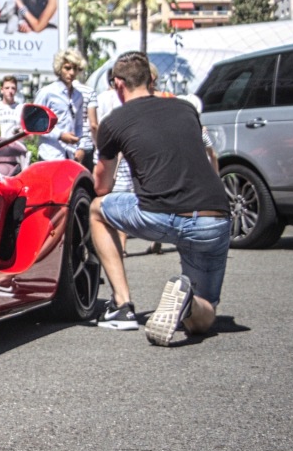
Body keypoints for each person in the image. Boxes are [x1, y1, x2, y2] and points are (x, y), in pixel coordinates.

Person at [90, 51, 231, 346]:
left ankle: (122, 306)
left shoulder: (114, 121)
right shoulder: (185, 108)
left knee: (96, 210)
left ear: (117, 84)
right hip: (214, 218)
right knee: (204, 320)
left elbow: (102, 185)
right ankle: (188, 303)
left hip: (162, 214)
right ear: (152, 79)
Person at [34, 49, 87, 163]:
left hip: (71, 156)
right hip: (50, 154)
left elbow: (79, 125)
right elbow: (35, 122)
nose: (72, 73)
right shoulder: (47, 92)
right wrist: (60, 135)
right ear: (60, 68)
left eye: (75, 69)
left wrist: (81, 147)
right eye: (67, 68)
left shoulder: (78, 96)